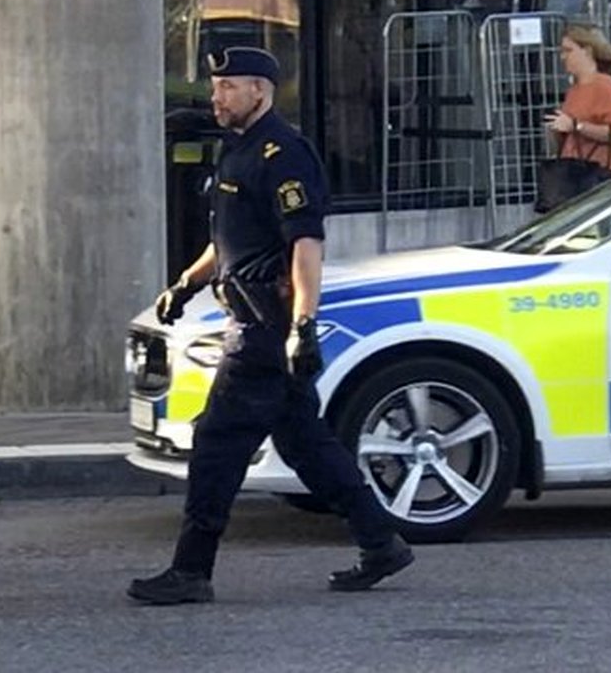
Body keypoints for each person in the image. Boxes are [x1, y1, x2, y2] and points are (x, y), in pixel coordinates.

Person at [128, 47, 414, 606]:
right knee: (306, 444)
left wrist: (301, 327)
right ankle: (381, 542)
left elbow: (304, 246)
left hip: (265, 326)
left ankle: (191, 570)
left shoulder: (285, 154)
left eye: (228, 87)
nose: (217, 97)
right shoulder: (237, 153)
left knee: (216, 442)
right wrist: (184, 285)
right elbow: (229, 241)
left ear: (260, 91)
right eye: (215, 88)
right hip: (248, 315)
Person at [542, 23, 611, 185]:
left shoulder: (605, 86)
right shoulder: (575, 89)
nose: (563, 57)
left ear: (587, 52)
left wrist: (576, 126)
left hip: (600, 176)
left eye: (568, 50)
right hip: (575, 174)